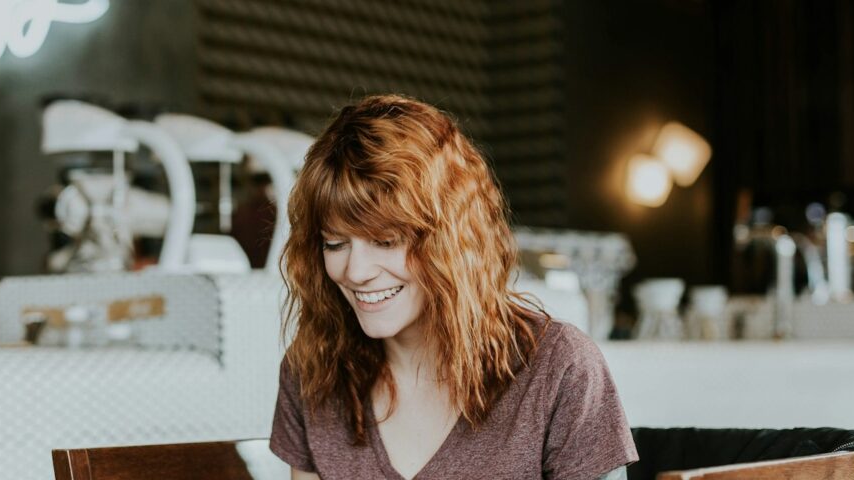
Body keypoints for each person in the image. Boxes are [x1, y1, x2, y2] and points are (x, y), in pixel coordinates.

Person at [269, 94, 638, 479]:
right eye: (335, 243)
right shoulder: (312, 370)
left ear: (450, 240)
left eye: (386, 241)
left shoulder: (560, 369)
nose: (356, 271)